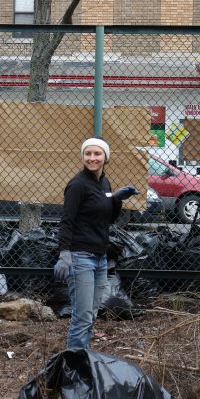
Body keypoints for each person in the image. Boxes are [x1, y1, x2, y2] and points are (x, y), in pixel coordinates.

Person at [54, 137, 139, 349]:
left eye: (97, 153)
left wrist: (116, 199)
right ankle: (74, 364)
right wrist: (64, 253)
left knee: (91, 314)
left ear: (105, 157)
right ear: (83, 156)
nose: (92, 158)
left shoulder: (104, 183)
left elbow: (108, 219)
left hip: (100, 258)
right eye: (88, 153)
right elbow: (66, 221)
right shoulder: (77, 185)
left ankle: (82, 357)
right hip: (80, 257)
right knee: (82, 317)